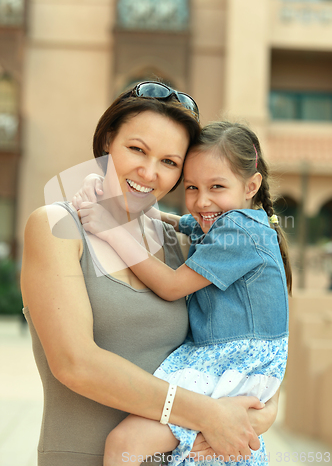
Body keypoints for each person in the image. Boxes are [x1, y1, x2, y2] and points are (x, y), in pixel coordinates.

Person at [21, 82, 278, 466]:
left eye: (170, 162)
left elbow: (252, 349)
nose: (148, 171)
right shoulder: (58, 226)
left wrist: (256, 417)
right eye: (137, 149)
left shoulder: (183, 245)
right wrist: (206, 415)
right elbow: (75, 363)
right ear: (109, 141)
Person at [78, 120, 291, 466]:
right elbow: (174, 221)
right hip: (236, 362)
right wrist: (110, 195)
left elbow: (171, 285)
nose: (202, 200)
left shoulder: (238, 231)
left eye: (216, 186)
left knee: (124, 444)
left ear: (251, 185)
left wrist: (113, 230)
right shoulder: (225, 220)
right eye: (191, 187)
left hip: (231, 363)